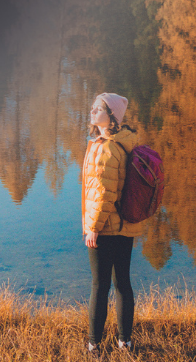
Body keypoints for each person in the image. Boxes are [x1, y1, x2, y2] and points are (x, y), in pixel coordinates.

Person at [81, 92, 144, 355]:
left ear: (112, 117)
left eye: (99, 109)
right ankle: (124, 342)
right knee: (123, 284)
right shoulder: (124, 142)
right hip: (125, 226)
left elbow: (104, 193)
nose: (93, 112)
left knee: (99, 285)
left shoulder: (106, 148)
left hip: (105, 227)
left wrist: (93, 227)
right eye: (93, 108)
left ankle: (94, 344)